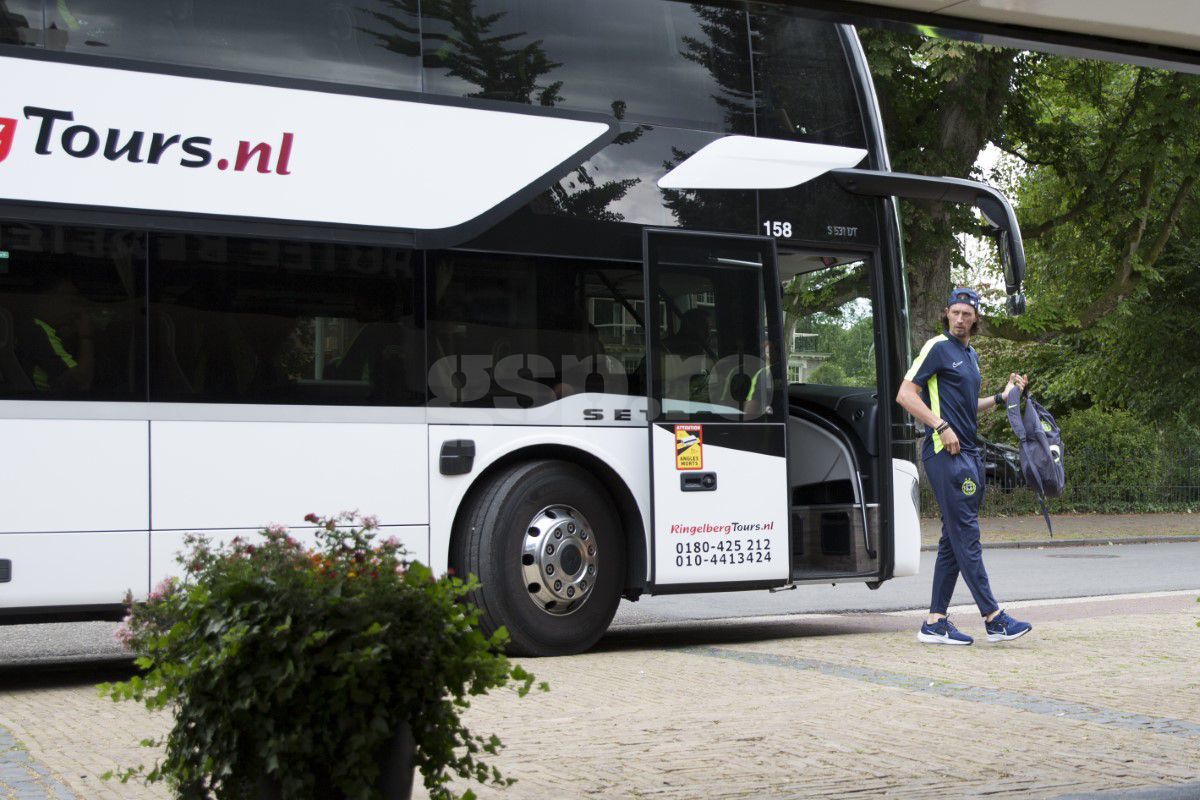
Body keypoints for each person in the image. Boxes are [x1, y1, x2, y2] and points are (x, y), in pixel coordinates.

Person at [895, 287, 1033, 645]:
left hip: (969, 452)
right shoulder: (936, 347)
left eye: (966, 314)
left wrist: (1004, 397)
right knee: (966, 534)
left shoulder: (970, 356)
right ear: (947, 314)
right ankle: (993, 618)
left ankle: (935, 621)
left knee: (952, 539)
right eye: (954, 313)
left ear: (975, 319)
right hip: (945, 452)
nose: (960, 319)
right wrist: (939, 425)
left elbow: (967, 407)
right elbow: (905, 394)